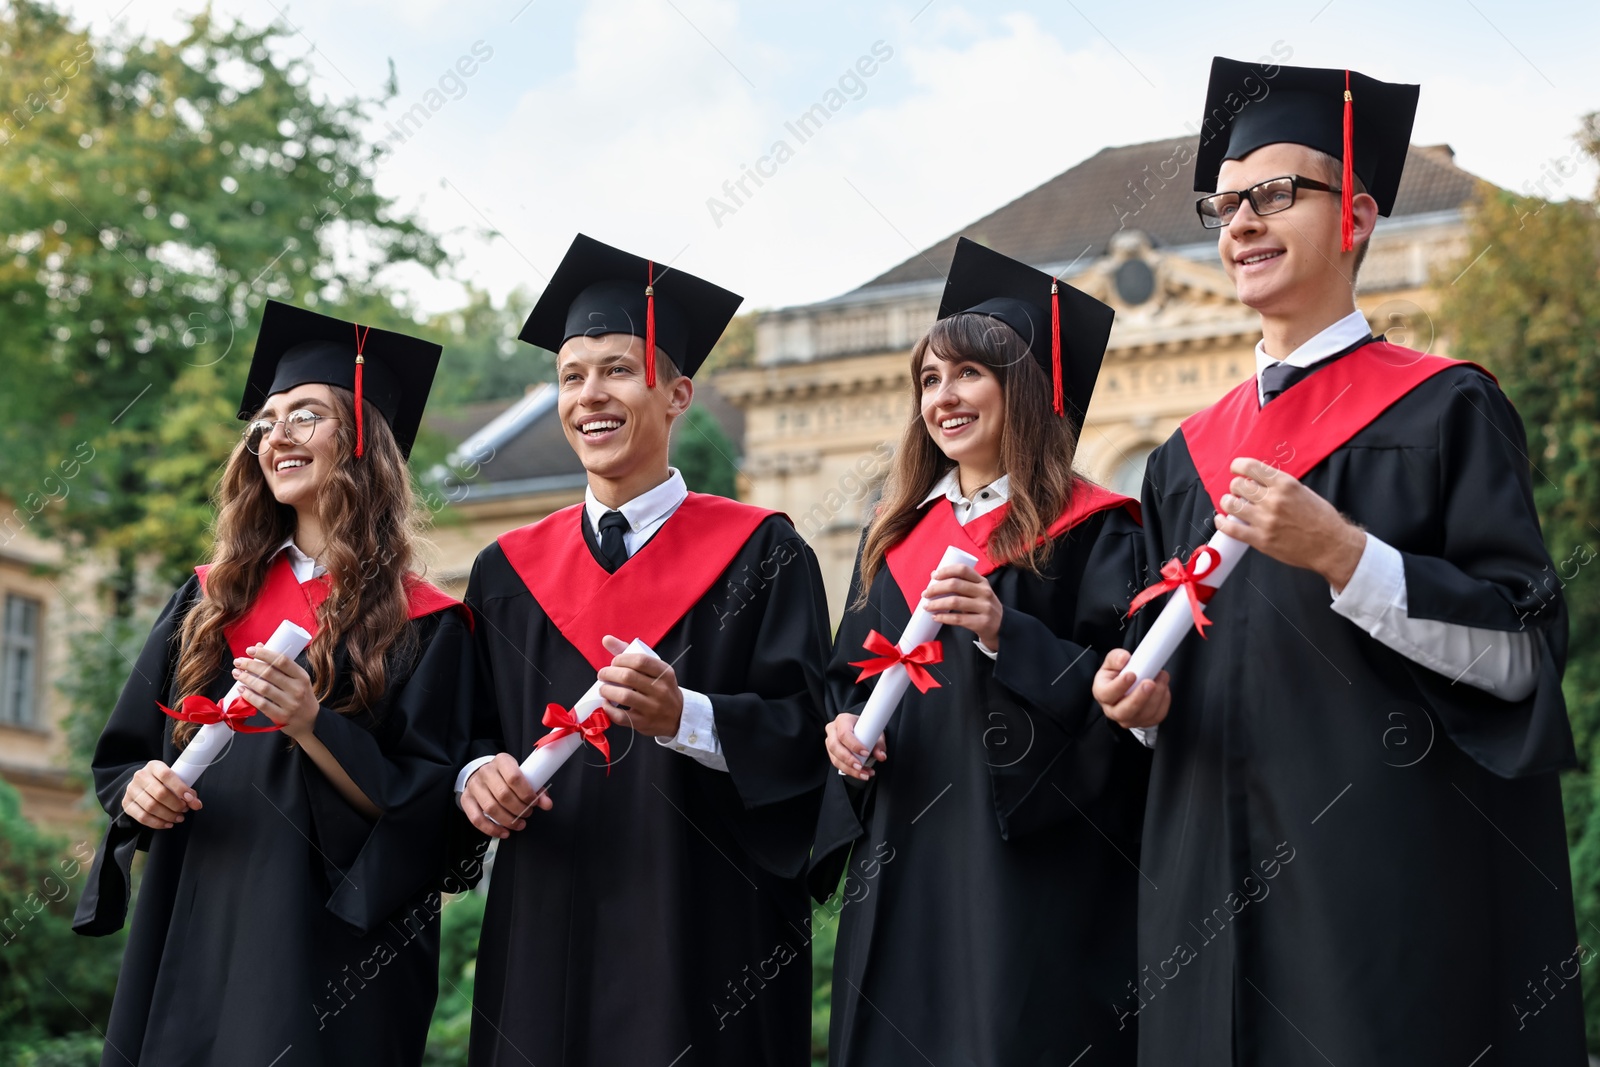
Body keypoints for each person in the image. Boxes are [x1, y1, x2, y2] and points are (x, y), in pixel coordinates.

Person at [1094, 57, 1584, 1065]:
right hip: (1201, 904)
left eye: (1275, 194)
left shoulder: (1445, 408)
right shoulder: (1182, 461)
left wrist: (1349, 556)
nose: (1240, 223)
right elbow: (1183, 672)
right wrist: (1138, 707)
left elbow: (1520, 657)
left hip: (1377, 901)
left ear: (1354, 216)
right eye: (1224, 203)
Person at [454, 234, 831, 1065]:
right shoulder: (504, 574)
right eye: (572, 375)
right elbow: (461, 734)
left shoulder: (763, 555)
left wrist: (685, 717)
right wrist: (471, 776)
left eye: (619, 369)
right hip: (547, 924)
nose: (591, 394)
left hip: (704, 931)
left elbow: (811, 740)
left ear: (677, 393)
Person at [73, 301, 474, 1066]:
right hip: (192, 913)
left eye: (306, 416)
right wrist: (140, 792)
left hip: (324, 951)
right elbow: (122, 758)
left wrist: (312, 723)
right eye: (267, 420)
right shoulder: (207, 599)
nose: (276, 435)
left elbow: (427, 814)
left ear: (362, 444)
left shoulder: (427, 622)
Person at [813, 237, 1151, 1066]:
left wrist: (1007, 632)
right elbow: (842, 683)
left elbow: (1127, 706)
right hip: (904, 857)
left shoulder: (1098, 528)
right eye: (930, 379)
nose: (944, 396)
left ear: (1024, 389)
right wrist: (844, 733)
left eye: (969, 373)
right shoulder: (890, 538)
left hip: (1033, 871)